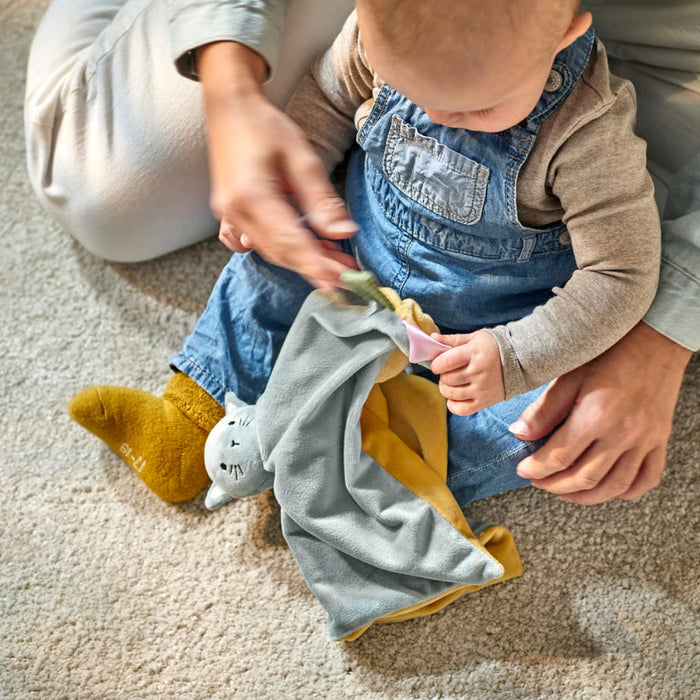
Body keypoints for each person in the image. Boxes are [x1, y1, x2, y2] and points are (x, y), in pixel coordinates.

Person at [25, 0, 698, 504]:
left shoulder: (591, 135)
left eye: (472, 110)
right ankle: (191, 411)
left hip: (498, 323)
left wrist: (523, 353)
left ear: (567, 36)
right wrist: (297, 175)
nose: (436, 118)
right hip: (354, 248)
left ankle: (376, 486)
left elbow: (621, 271)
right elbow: (327, 94)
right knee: (260, 270)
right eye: (415, 91)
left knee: (544, 417)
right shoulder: (381, 31)